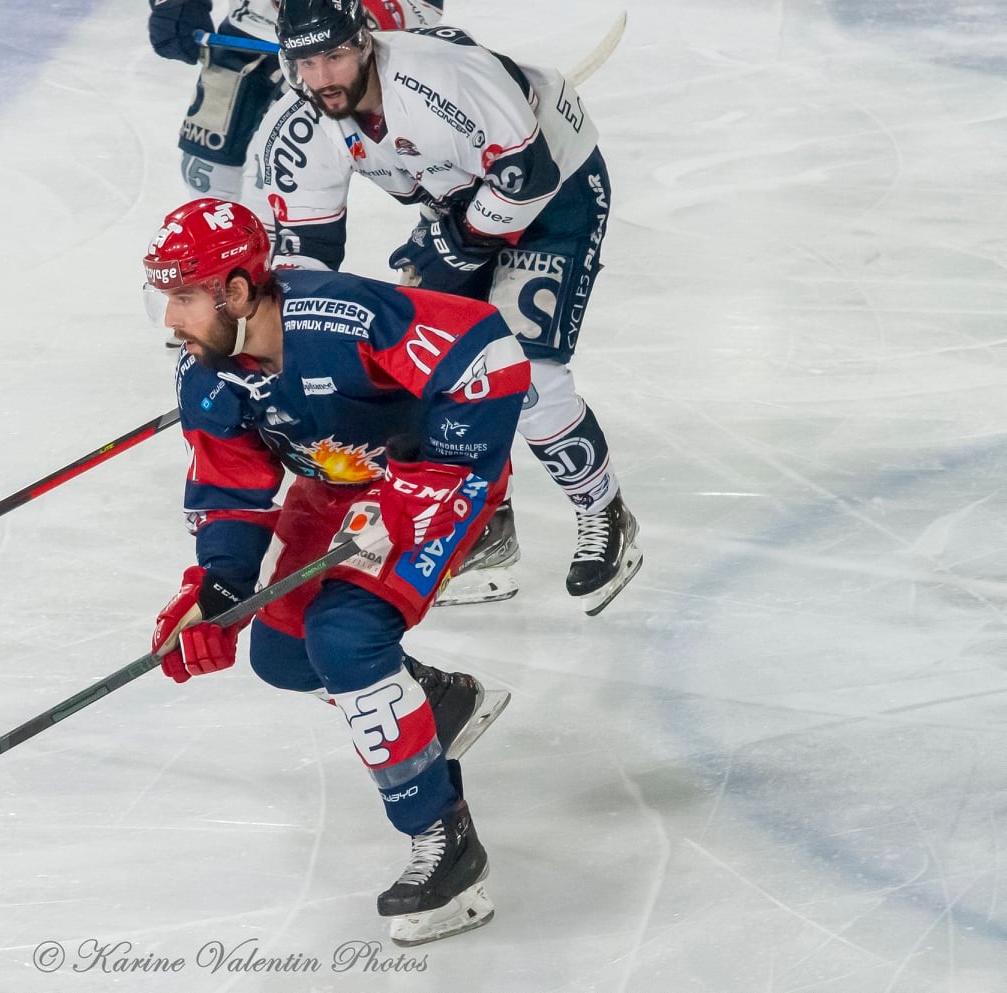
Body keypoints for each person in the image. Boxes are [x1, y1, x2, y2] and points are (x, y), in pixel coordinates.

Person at [143, 196, 528, 945]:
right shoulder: (210, 372)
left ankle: (444, 840)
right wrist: (221, 584)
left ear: (236, 289)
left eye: (185, 297)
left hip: (434, 481)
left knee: (346, 638)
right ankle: (435, 702)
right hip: (339, 486)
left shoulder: (338, 318)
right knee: (285, 655)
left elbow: (485, 354)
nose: (171, 320)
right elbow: (229, 484)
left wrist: (427, 483)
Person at [246, 0, 643, 614]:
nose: (323, 76)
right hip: (459, 201)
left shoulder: (438, 76)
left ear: (366, 43)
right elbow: (306, 256)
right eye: (306, 61)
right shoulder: (298, 126)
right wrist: (286, 353)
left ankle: (604, 512)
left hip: (555, 193)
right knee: (431, 371)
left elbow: (526, 175)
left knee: (528, 373)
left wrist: (456, 245)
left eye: (335, 56)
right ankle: (487, 528)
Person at [145, 0, 442, 203]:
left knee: (278, 178)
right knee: (204, 171)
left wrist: (353, 20)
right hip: (248, 28)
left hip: (332, 49)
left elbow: (423, 7)